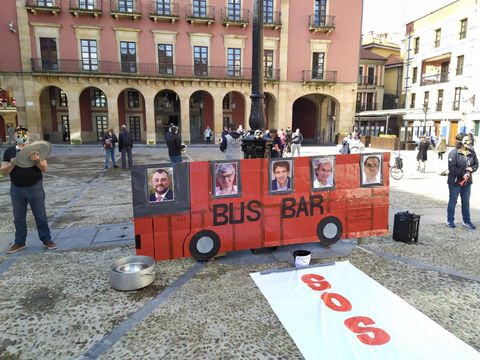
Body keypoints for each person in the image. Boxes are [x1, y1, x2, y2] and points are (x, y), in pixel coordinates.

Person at [0, 127, 57, 254]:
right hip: (16, 189)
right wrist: (13, 163)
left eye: (24, 134)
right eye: (18, 135)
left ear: (28, 136)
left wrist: (37, 161)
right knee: (18, 217)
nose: (21, 137)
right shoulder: (9, 151)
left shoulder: (36, 150)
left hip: (35, 187)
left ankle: (46, 239)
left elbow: (44, 168)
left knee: (40, 215)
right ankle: (20, 242)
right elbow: (3, 172)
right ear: (15, 137)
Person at [446, 133, 478, 229]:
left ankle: (466, 221)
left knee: (466, 202)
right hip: (455, 182)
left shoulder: (472, 152)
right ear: (461, 141)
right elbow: (452, 168)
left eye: (469, 140)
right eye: (467, 140)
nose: (469, 142)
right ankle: (450, 220)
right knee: (453, 201)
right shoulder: (453, 153)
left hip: (467, 182)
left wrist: (472, 169)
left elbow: (476, 163)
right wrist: (462, 174)